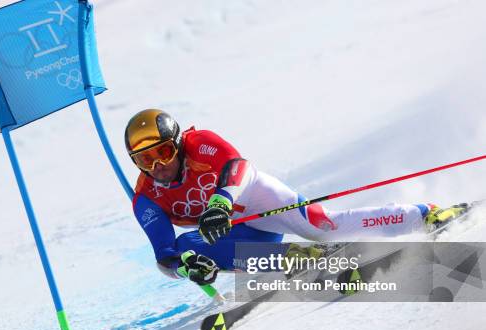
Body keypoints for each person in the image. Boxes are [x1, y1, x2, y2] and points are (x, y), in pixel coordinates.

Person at [128, 109, 467, 286]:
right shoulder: (146, 198)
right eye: (145, 160)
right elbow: (165, 255)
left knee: (323, 226)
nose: (157, 165)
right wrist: (187, 270)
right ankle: (295, 259)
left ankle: (422, 214)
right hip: (235, 233)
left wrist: (221, 202)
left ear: (177, 144)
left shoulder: (198, 141)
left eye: (164, 152)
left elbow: (239, 166)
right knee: (189, 247)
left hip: (257, 199)